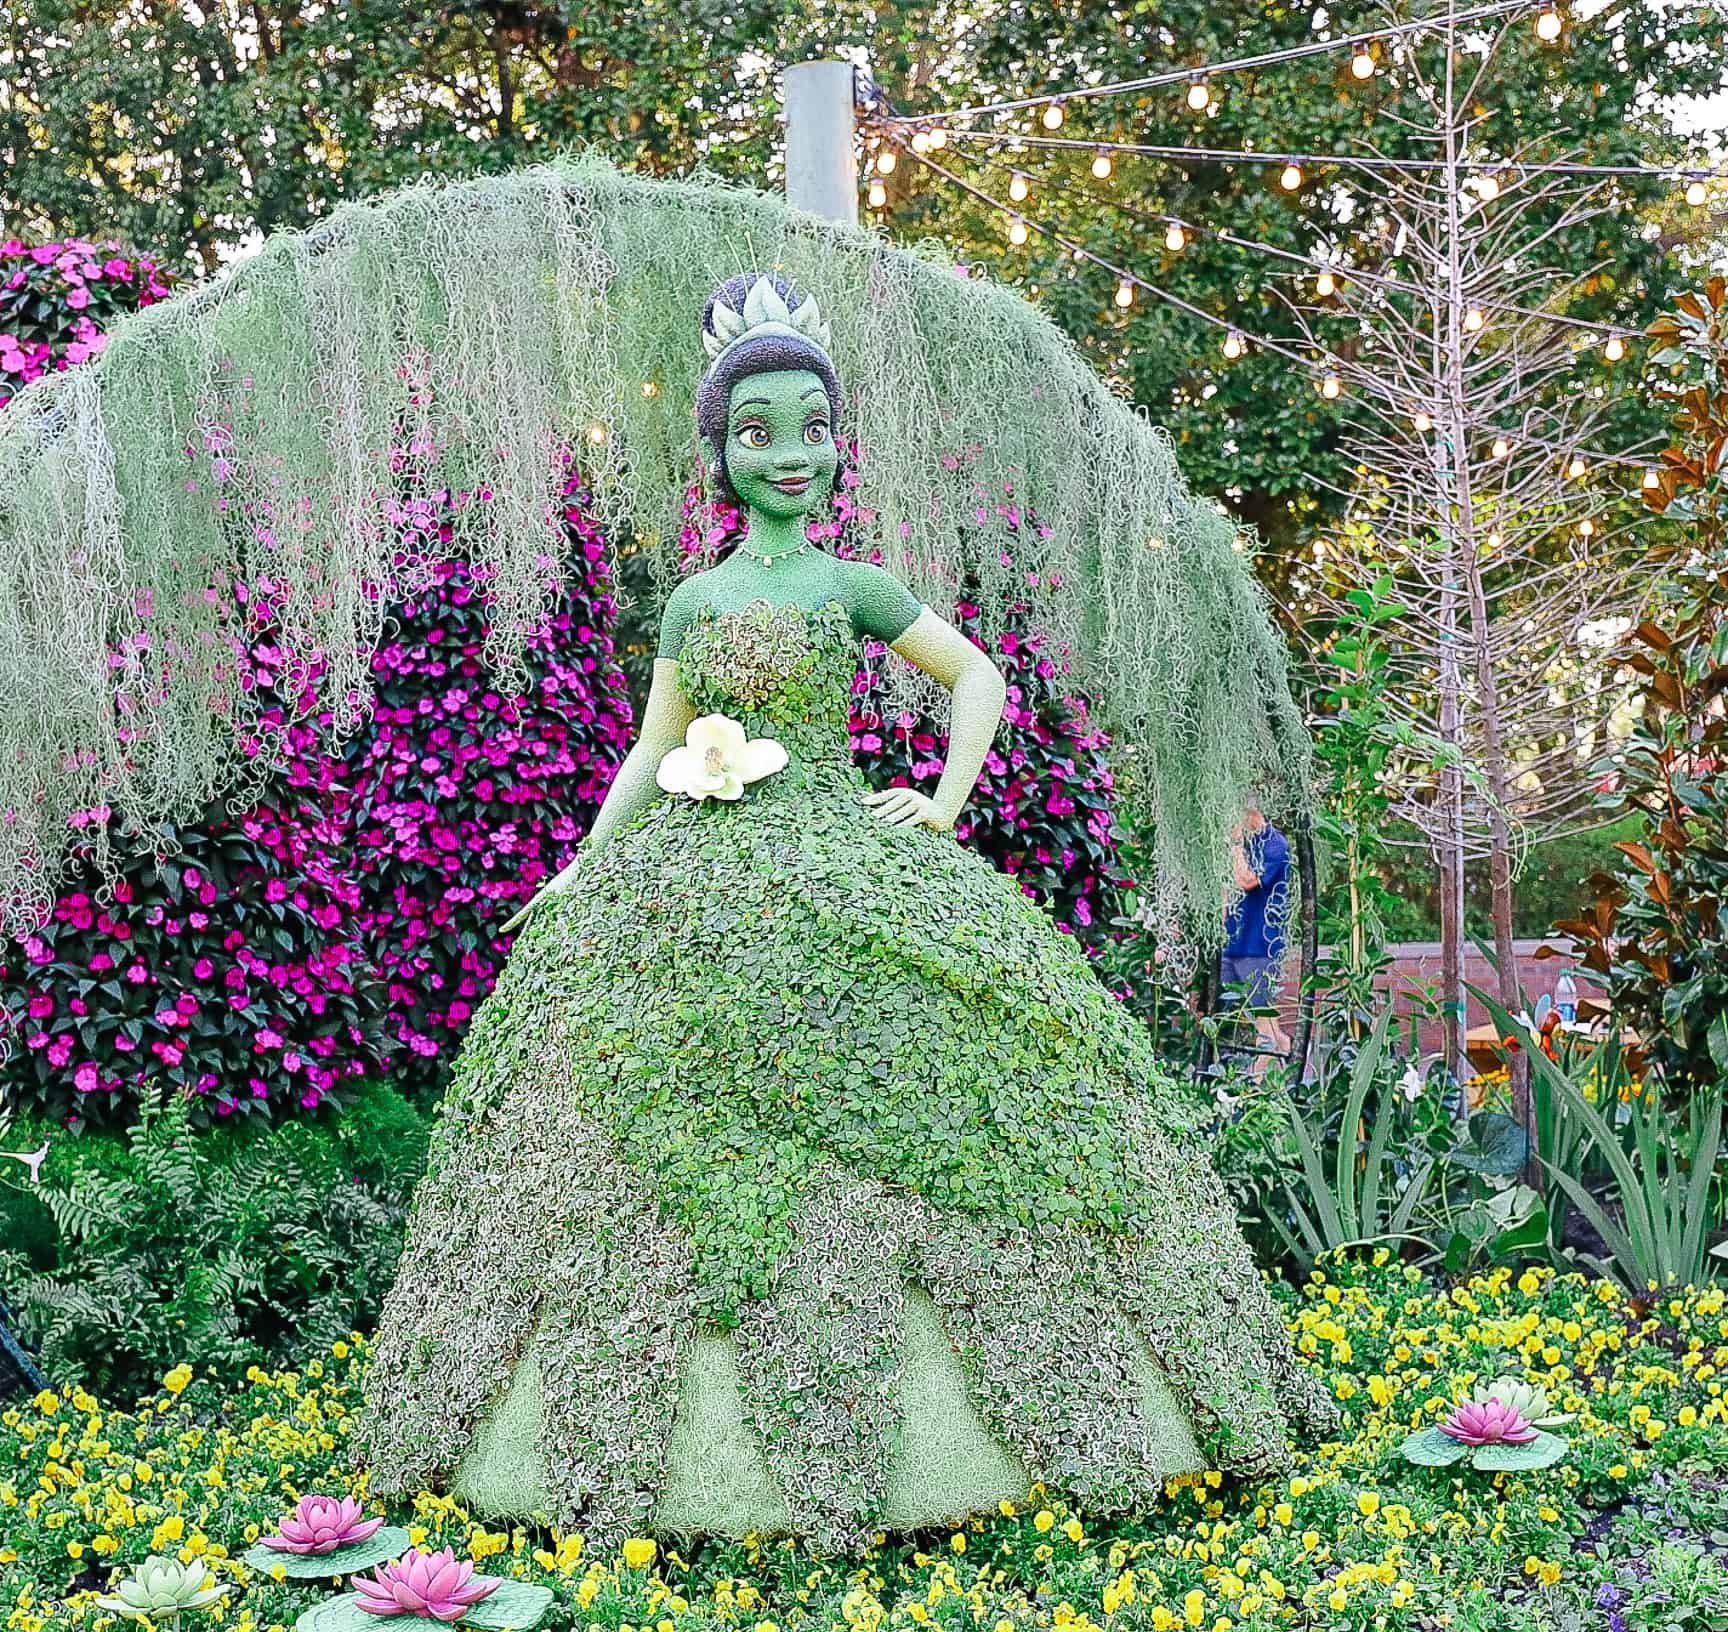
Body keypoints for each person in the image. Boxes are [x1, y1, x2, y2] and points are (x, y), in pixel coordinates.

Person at [356, 274, 1334, 1551]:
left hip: (836, 837)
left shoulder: (853, 587)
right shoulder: (696, 604)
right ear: (721, 450)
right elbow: (652, 750)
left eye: (811, 427)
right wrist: (590, 866)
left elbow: (974, 676)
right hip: (689, 868)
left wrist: (943, 800)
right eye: (758, 431)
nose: (791, 455)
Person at [1220, 799, 1291, 1066]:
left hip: (1260, 943)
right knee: (1251, 1017)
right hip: (1234, 941)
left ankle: (1264, 1085)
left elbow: (1246, 880)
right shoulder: (1241, 846)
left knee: (1263, 1019)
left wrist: (1236, 845)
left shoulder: (1275, 844)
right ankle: (1279, 1061)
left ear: (1252, 813)